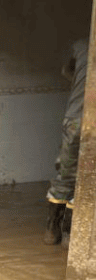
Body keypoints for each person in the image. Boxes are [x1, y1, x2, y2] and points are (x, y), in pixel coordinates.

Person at [44, 38, 88, 247]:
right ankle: (70, 235)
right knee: (87, 178)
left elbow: (66, 72)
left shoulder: (80, 45)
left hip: (73, 119)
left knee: (65, 172)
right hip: (90, 121)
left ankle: (52, 231)